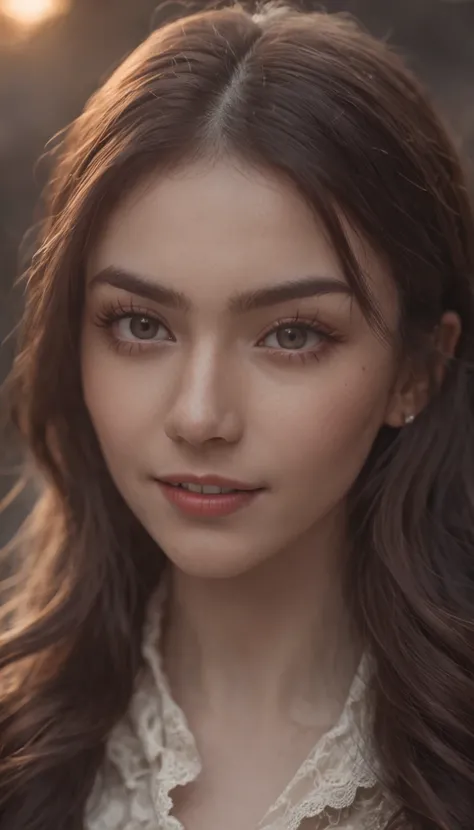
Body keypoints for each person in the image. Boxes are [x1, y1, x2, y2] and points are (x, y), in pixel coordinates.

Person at [0, 2, 473, 828]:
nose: (200, 414)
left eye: (292, 335)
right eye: (140, 325)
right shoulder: (19, 750)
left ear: (418, 370)